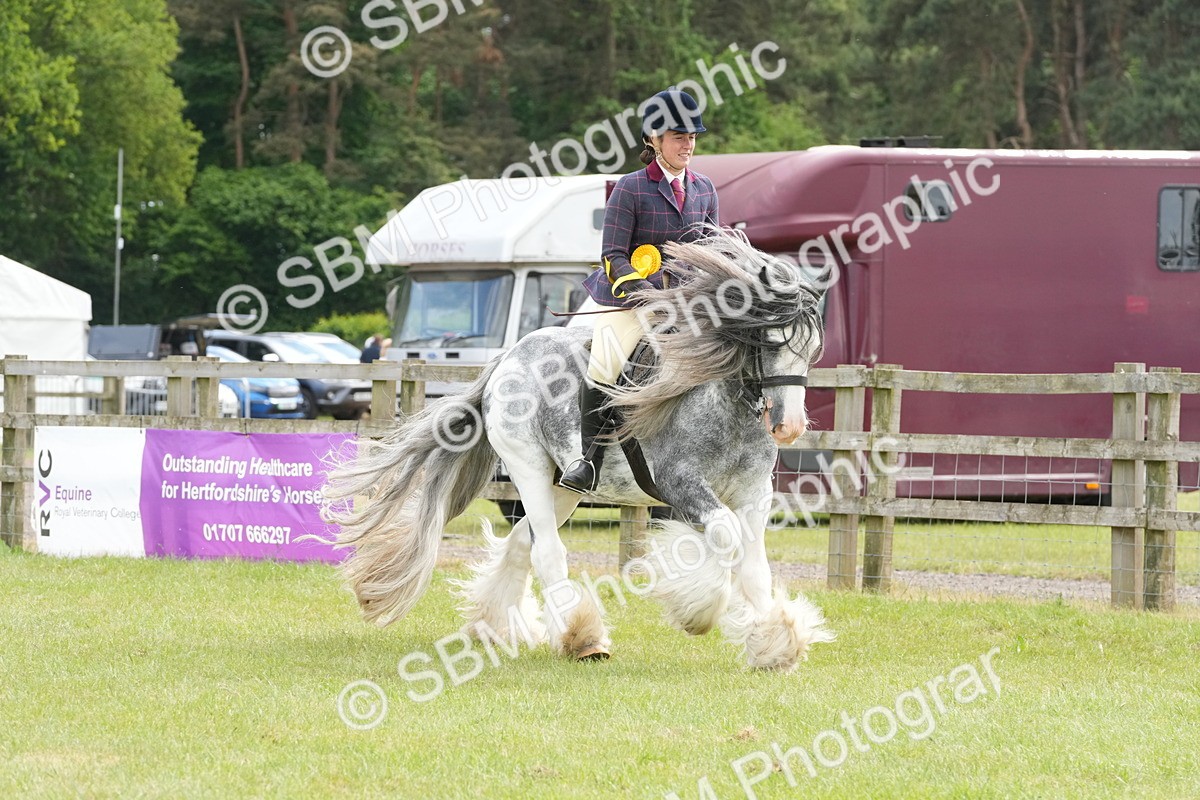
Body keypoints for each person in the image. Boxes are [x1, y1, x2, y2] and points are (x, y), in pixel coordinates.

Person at [558, 87, 719, 493]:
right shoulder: (630, 188)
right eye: (679, 136)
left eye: (693, 137)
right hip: (627, 298)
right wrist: (647, 294)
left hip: (685, 302)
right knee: (607, 360)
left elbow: (711, 251)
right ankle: (587, 461)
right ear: (654, 139)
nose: (688, 144)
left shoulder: (705, 190)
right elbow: (612, 253)